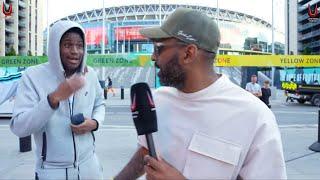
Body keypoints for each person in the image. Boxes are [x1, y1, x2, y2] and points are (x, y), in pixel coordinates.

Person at [115, 8, 286, 179]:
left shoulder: (255, 116)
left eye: (159, 49)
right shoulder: (159, 99)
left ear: (188, 53)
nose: (153, 57)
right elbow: (146, 152)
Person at [10, 20, 105, 179]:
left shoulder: (90, 75)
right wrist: (53, 99)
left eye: (80, 45)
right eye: (68, 45)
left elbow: (100, 104)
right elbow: (19, 127)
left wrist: (95, 123)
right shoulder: (33, 76)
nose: (75, 51)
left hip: (90, 167)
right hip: (52, 171)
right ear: (55, 47)